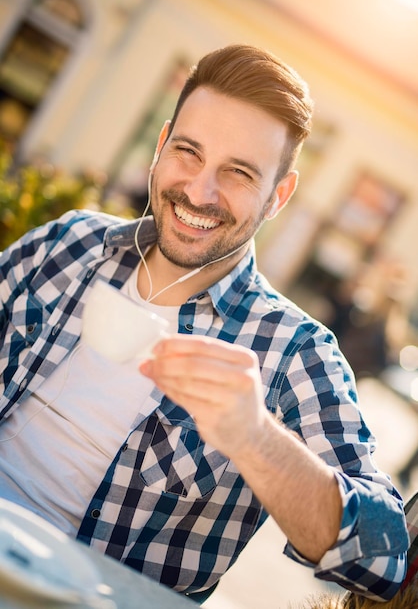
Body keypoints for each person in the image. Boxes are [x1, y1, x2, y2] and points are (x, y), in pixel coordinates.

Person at [0, 44, 409, 604]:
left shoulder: (293, 352)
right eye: (188, 152)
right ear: (161, 145)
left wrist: (255, 436)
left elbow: (382, 560)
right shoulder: (69, 245)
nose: (199, 191)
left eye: (238, 173)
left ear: (278, 197)